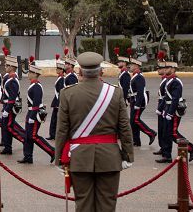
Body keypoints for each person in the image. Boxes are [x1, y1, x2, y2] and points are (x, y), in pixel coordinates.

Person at [54, 51, 134, 212]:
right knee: (107, 205)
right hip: (109, 158)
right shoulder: (115, 92)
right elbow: (125, 127)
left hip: (79, 157)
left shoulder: (67, 93)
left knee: (83, 205)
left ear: (80, 71)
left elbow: (62, 130)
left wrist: (59, 159)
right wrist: (128, 155)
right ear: (101, 71)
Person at [155, 60, 193, 163]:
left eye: (168, 68)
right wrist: (161, 109)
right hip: (167, 108)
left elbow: (175, 99)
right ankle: (166, 155)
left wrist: (170, 113)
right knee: (166, 133)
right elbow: (166, 97)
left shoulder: (176, 81)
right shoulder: (169, 80)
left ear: (173, 69)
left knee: (173, 133)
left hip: (174, 110)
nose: (165, 70)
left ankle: (191, 148)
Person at [18, 60, 54, 164]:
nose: (28, 74)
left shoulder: (37, 86)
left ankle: (52, 151)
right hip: (31, 113)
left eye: (30, 72)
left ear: (34, 74)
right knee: (28, 136)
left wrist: (31, 117)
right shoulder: (33, 85)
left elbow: (36, 104)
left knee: (33, 136)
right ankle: (28, 156)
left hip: (35, 114)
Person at [127, 57, 155, 147]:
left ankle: (151, 133)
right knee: (132, 122)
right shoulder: (135, 75)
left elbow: (140, 91)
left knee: (135, 120)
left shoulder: (139, 77)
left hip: (138, 101)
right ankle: (136, 141)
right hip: (133, 100)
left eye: (131, 65)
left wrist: (138, 104)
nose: (129, 67)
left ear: (136, 66)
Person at [0, 56, 24, 155]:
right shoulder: (10, 78)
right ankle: (7, 146)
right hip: (7, 106)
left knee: (9, 128)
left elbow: (12, 97)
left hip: (10, 107)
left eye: (7, 66)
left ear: (11, 67)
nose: (5, 67)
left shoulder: (13, 80)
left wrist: (7, 110)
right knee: (6, 127)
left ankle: (23, 140)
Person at [47, 53, 66, 141]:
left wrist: (59, 102)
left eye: (58, 68)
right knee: (54, 119)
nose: (56, 70)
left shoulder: (62, 79)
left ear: (62, 70)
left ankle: (53, 134)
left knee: (56, 119)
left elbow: (60, 91)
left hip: (58, 101)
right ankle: (52, 134)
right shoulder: (60, 78)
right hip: (56, 101)